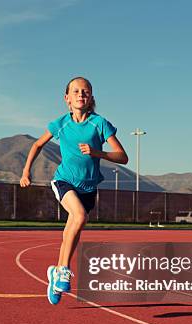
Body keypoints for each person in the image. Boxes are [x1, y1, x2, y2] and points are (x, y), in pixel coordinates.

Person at [20, 77, 129, 305]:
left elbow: (123, 156)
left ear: (91, 98)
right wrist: (26, 172)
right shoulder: (60, 124)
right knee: (79, 216)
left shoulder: (99, 124)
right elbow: (37, 144)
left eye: (86, 91)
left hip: (88, 187)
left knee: (74, 228)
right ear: (67, 98)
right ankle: (64, 270)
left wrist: (97, 153)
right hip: (64, 181)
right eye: (76, 91)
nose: (81, 94)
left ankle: (56, 272)